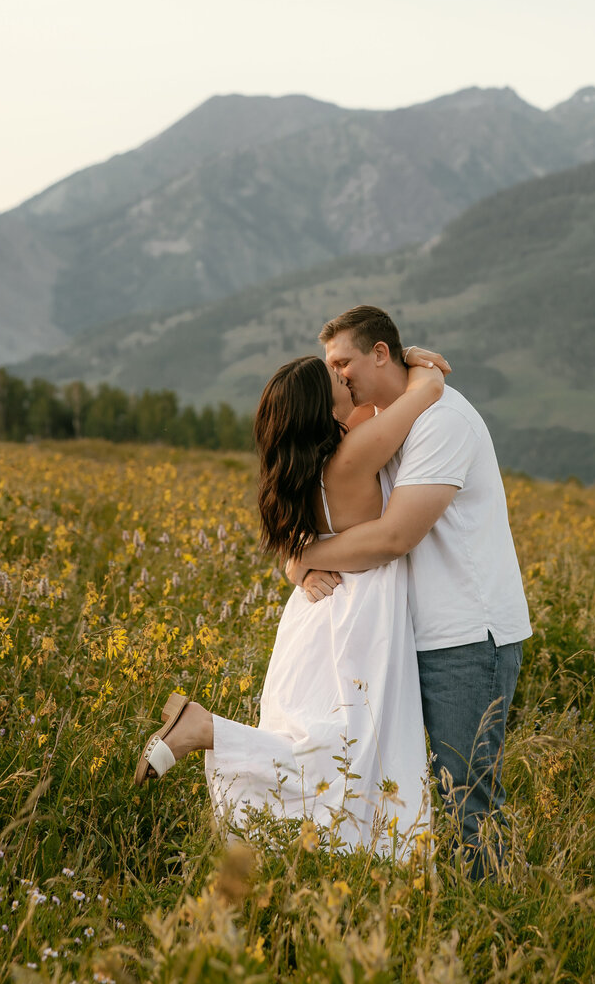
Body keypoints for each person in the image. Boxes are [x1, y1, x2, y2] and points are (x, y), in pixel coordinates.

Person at [133, 346, 448, 857]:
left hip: (312, 611)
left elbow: (300, 545)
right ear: (323, 407)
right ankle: (204, 727)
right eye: (335, 374)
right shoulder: (354, 455)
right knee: (348, 749)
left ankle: (320, 853)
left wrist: (298, 563)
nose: (345, 376)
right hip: (359, 614)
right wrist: (417, 362)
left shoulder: (303, 470)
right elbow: (427, 393)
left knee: (315, 743)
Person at [293, 304, 531, 879]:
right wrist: (292, 560)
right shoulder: (382, 420)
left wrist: (308, 558)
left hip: (466, 636)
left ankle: (489, 925)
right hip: (401, 635)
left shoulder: (441, 421)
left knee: (467, 798)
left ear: (380, 354)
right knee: (398, 792)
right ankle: (433, 915)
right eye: (331, 366)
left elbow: (396, 535)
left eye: (343, 361)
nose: (338, 374)